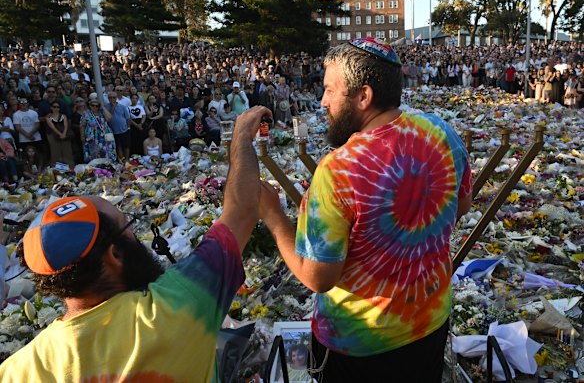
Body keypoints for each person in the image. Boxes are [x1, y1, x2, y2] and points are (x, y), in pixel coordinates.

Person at [0, 105, 270, 382]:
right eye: (127, 225)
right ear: (114, 254)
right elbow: (241, 210)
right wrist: (240, 137)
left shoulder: (16, 371)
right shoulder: (176, 303)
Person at [258, 37, 472, 383]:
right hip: (428, 325)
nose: (323, 101)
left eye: (330, 90)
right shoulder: (442, 134)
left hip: (360, 345)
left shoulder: (338, 170)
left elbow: (318, 277)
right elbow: (460, 204)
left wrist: (272, 216)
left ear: (363, 96)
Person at [45, 101, 74, 168]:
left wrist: (63, 134)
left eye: (58, 107)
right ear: (51, 108)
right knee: (55, 152)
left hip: (64, 135)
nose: (56, 108)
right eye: (54, 107)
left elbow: (66, 125)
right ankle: (57, 169)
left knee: (67, 151)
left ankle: (70, 168)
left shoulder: (63, 116)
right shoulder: (48, 117)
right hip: (52, 135)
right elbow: (52, 127)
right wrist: (60, 134)